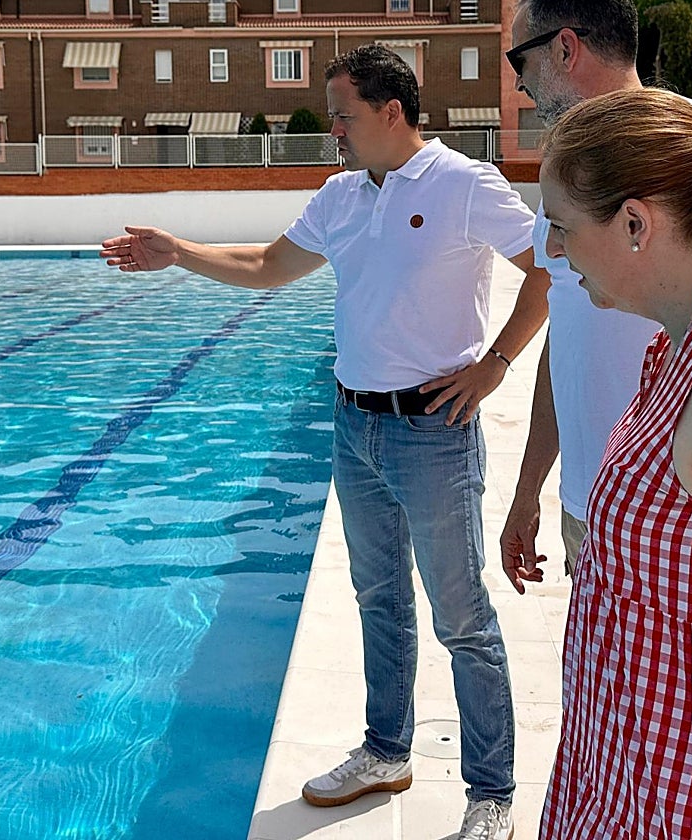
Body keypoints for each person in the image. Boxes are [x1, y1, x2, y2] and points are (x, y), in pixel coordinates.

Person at [101, 45, 551, 840]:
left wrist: (496, 366)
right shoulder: (343, 195)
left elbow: (546, 269)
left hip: (434, 433)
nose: (333, 129)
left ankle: (491, 793)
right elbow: (269, 265)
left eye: (343, 113)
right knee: (378, 601)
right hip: (355, 426)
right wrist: (181, 254)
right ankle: (387, 750)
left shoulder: (464, 183)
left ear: (391, 112)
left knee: (461, 617)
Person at [535, 86, 692, 840]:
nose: (553, 251)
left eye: (561, 226)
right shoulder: (678, 348)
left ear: (634, 224)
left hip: (679, 805)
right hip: (621, 776)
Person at [499, 0, 692, 592]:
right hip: (594, 504)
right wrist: (532, 485)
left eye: (520, 61)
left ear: (565, 48)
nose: (518, 83)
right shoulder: (566, 181)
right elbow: (567, 342)